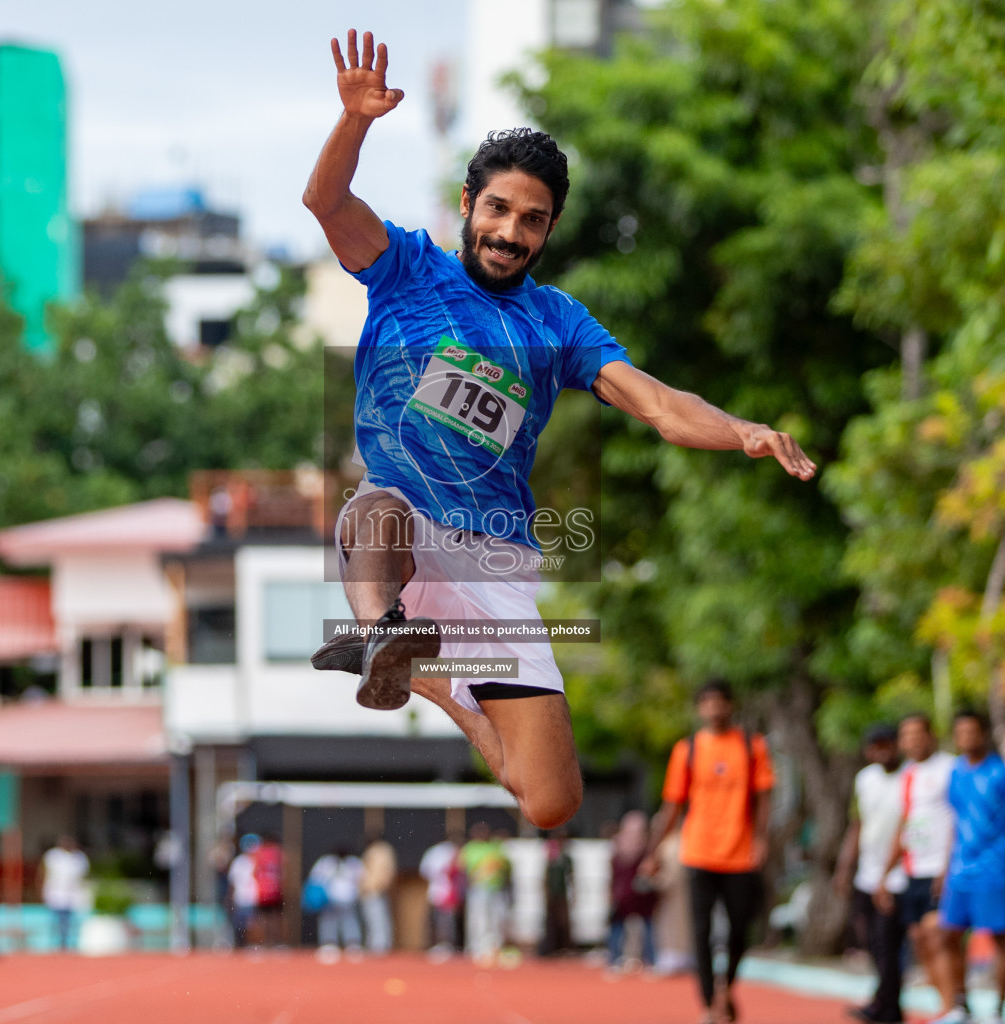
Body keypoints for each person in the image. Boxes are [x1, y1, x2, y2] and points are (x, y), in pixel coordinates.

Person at [304, 29, 817, 832]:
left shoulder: (558, 321)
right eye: (499, 209)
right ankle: (382, 634)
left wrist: (741, 430)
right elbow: (327, 204)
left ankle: (428, 675)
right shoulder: (408, 269)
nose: (511, 233)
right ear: (469, 204)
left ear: (550, 230)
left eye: (533, 221)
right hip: (400, 529)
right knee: (376, 506)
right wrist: (355, 122)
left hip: (497, 558)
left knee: (550, 801)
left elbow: (656, 403)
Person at [644, 680, 773, 1024]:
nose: (714, 708)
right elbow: (672, 804)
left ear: (731, 705)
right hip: (699, 851)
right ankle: (706, 1003)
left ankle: (726, 987)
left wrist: (761, 839)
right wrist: (653, 850)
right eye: (708, 702)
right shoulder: (687, 750)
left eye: (720, 702)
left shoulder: (751, 745)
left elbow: (763, 797)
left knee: (739, 928)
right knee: (700, 930)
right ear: (700, 708)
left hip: (740, 852)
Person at [931, 711, 1005, 1024]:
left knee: (1000, 937)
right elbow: (954, 824)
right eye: (961, 732)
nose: (967, 737)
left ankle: (999, 1010)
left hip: (994, 868)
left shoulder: (1002, 772)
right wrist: (945, 869)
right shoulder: (956, 773)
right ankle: (962, 1006)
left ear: (983, 734)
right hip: (960, 869)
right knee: (948, 935)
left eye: (973, 731)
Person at [876, 713, 957, 1017]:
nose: (911, 741)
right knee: (920, 941)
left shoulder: (950, 768)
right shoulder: (906, 775)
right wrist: (885, 874)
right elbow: (905, 826)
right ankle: (949, 1004)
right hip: (914, 870)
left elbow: (958, 820)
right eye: (906, 735)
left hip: (941, 869)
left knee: (939, 937)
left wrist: (948, 866)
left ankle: (951, 1009)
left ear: (930, 735)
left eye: (917, 734)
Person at [835, 725, 908, 1023]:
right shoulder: (864, 779)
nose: (881, 751)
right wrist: (844, 867)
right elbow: (857, 824)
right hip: (867, 872)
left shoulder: (910, 777)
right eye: (874, 746)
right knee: (870, 940)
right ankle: (885, 1000)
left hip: (898, 874)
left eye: (886, 744)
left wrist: (888, 872)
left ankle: (887, 1006)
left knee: (887, 941)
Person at [608, 810, 659, 970]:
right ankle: (650, 960)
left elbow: (613, 875)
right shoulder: (647, 848)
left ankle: (616, 959)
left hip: (628, 895)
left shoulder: (619, 846)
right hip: (636, 896)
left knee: (621, 928)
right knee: (645, 928)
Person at [459, 821, 512, 964]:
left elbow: (506, 869)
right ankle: (476, 948)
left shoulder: (496, 848)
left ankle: (494, 949)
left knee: (496, 920)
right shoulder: (470, 848)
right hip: (478, 890)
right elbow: (463, 870)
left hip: (496, 889)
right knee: (478, 920)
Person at [37, 835, 89, 952]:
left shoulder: (79, 858)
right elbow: (42, 872)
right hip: (55, 893)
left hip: (72, 895)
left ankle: (67, 944)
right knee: (55, 921)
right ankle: (55, 944)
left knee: (69, 922)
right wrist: (41, 888)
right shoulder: (52, 856)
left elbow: (83, 877)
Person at [308, 847, 363, 955]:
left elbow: (362, 879)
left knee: (349, 922)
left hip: (348, 899)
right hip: (330, 899)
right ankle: (329, 944)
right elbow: (315, 878)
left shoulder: (353, 862)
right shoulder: (326, 862)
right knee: (329, 923)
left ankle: (352, 944)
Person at [420, 832, 464, 956]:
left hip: (439, 892)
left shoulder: (434, 851)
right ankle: (445, 945)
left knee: (442, 921)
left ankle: (443, 945)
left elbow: (424, 871)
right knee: (445, 921)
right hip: (448, 892)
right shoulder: (454, 851)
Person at [539, 828, 575, 957]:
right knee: (550, 922)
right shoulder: (551, 857)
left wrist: (573, 894)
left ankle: (563, 947)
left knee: (563, 922)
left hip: (562, 894)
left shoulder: (567, 859)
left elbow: (571, 878)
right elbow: (545, 877)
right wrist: (546, 892)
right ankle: (550, 947)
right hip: (552, 894)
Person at [359, 833, 397, 954]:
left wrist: (373, 886)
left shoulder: (377, 851)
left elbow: (380, 872)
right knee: (378, 918)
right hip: (377, 888)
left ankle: (378, 946)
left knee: (376, 919)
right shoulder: (385, 850)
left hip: (373, 889)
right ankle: (379, 945)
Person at [253, 832, 286, 947]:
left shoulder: (259, 853)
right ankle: (276, 942)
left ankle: (264, 942)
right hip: (275, 890)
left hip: (263, 891)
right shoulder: (279, 853)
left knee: (263, 919)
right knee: (276, 918)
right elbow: (284, 871)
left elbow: (255, 872)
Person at [228, 835, 260, 948]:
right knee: (240, 924)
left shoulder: (258, 861)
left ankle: (251, 945)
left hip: (254, 897)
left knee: (252, 924)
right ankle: (240, 945)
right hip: (241, 897)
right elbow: (232, 882)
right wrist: (231, 897)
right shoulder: (239, 862)